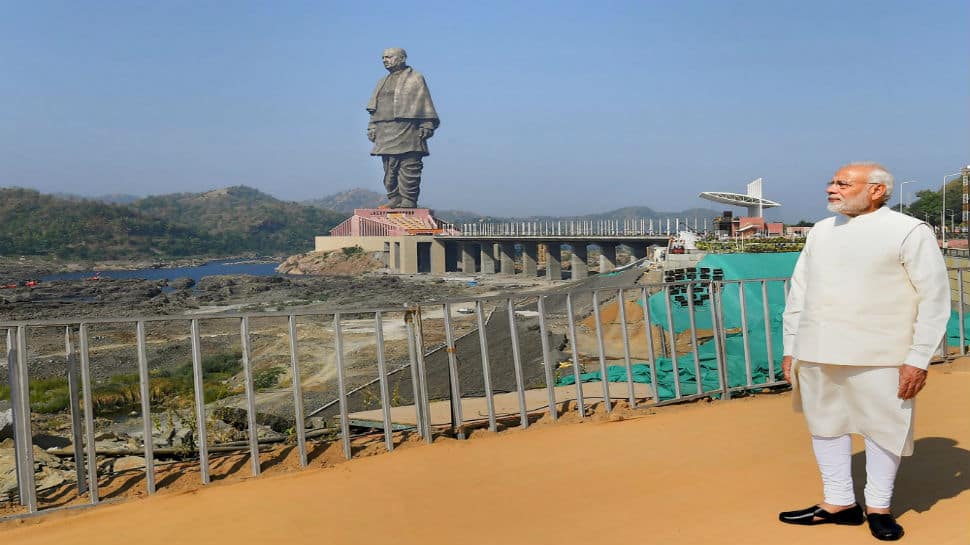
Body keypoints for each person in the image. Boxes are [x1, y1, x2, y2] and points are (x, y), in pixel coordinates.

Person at [779, 162, 950, 541]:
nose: (831, 189)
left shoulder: (908, 230)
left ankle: (879, 507)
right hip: (818, 348)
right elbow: (800, 293)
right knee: (825, 427)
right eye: (832, 182)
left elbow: (934, 298)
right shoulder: (821, 232)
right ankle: (839, 502)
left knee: (883, 429)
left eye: (843, 183)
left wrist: (918, 357)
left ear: (876, 190)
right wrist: (792, 346)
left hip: (883, 352)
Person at [366, 48, 439, 208]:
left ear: (402, 58)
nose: (385, 60)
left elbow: (424, 102)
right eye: (383, 57)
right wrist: (371, 127)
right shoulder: (381, 81)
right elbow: (374, 109)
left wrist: (427, 123)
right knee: (389, 168)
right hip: (384, 129)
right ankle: (394, 197)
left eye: (389, 57)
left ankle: (408, 199)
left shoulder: (415, 78)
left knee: (409, 165)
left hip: (408, 129)